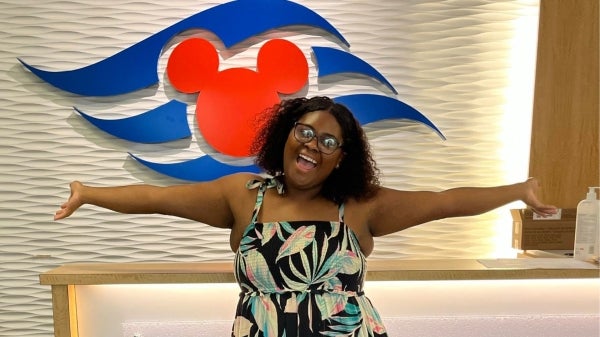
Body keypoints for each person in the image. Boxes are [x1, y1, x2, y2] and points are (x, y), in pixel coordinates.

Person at [54, 96, 557, 337]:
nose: (314, 145)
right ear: (286, 136)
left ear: (344, 158)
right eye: (306, 132)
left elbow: (447, 199)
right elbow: (157, 199)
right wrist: (90, 192)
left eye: (330, 142)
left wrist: (518, 190)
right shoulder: (242, 196)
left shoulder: (361, 206)